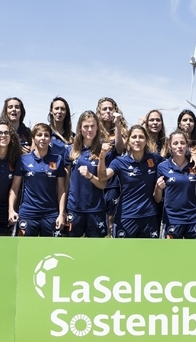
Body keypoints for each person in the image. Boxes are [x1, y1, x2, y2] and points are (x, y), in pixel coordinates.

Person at [98, 125, 163, 238]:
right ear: (128, 141)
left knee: (149, 255)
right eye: (134, 137)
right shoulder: (120, 161)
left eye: (141, 137)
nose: (137, 140)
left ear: (146, 140)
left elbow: (174, 160)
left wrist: (191, 155)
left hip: (149, 216)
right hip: (126, 216)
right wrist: (102, 156)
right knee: (122, 254)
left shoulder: (154, 159)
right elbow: (102, 177)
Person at [9, 123, 67, 237]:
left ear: (50, 139)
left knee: (50, 251)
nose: (43, 138)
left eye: (46, 135)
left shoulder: (57, 159)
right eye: (39, 135)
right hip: (28, 213)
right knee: (25, 250)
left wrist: (61, 214)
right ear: (33, 138)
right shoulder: (23, 159)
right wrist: (11, 210)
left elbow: (61, 189)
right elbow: (15, 188)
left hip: (50, 214)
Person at [154, 130, 196, 239]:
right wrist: (158, 188)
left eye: (182, 143)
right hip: (172, 219)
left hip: (194, 219)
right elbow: (157, 199)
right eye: (175, 143)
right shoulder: (162, 167)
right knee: (170, 255)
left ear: (187, 145)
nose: (179, 146)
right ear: (170, 146)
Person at [65, 111, 109, 237]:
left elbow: (102, 185)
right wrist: (63, 209)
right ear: (80, 128)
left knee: (95, 251)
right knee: (71, 250)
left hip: (96, 209)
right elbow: (66, 182)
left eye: (92, 126)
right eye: (86, 126)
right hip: (74, 208)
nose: (89, 130)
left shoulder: (103, 151)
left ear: (97, 128)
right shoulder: (71, 150)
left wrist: (89, 175)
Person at [96, 97, 128, 234]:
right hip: (96, 178)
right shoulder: (95, 129)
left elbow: (120, 149)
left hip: (114, 181)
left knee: (111, 219)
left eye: (111, 108)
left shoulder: (122, 129)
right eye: (105, 109)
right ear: (99, 111)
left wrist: (117, 126)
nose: (108, 111)